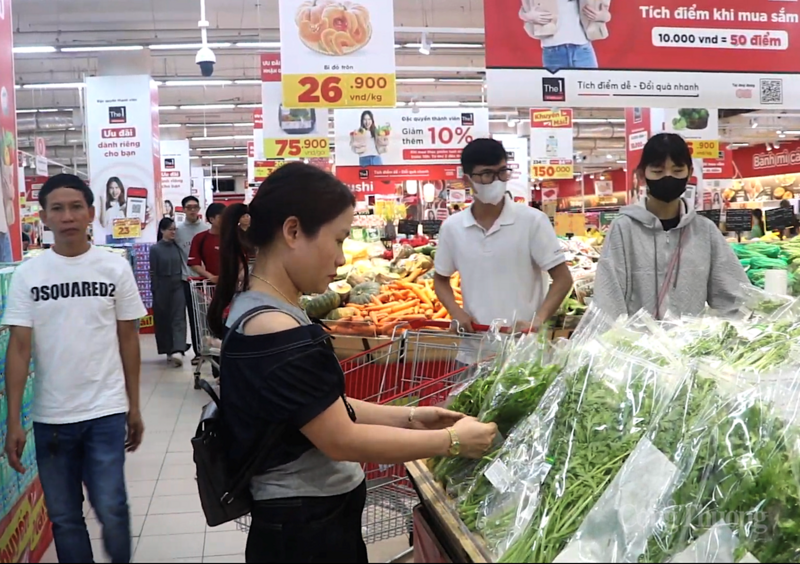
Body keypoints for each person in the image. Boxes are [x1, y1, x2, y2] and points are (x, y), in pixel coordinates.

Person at [206, 162, 497, 563]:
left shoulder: (266, 309)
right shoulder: (273, 327)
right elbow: (340, 439)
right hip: (304, 531)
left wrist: (411, 417)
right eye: (339, 239)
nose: (341, 258)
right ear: (293, 232)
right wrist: (451, 442)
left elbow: (319, 408)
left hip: (303, 522)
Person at [3, 173, 146, 563]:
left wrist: (134, 405)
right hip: (51, 419)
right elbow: (18, 349)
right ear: (44, 217)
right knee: (65, 518)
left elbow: (129, 340)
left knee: (112, 508)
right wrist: (14, 420)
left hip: (105, 410)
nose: (67, 216)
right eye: (58, 208)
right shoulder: (28, 275)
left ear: (91, 213)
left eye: (76, 207)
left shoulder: (113, 268)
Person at [594, 133, 749, 320]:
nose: (668, 177)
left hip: (690, 346)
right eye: (658, 171)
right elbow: (608, 298)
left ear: (689, 172)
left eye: (677, 171)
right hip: (637, 346)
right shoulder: (624, 229)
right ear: (642, 174)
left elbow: (735, 296)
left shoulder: (704, 231)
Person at [434, 138, 574, 342]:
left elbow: (563, 278)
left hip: (523, 350)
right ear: (467, 180)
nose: (497, 181)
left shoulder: (533, 221)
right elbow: (440, 279)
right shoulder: (452, 228)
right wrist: (456, 312)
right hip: (474, 348)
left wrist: (538, 319)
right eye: (486, 174)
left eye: (501, 172)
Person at [519, 0, 610, 71]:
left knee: (589, 90)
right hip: (553, 50)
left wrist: (601, 16)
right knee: (556, 93)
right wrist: (529, 16)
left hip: (582, 49)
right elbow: (524, 11)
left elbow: (606, 14)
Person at [175, 195, 208, 365]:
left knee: (208, 317)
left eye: (195, 207)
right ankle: (198, 351)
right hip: (187, 280)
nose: (193, 210)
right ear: (184, 209)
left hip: (207, 280)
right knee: (194, 317)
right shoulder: (178, 231)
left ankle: (211, 350)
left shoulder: (206, 229)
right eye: (189, 207)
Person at [150, 217, 187, 367]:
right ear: (162, 230)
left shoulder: (178, 247)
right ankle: (168, 349)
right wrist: (155, 290)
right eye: (170, 229)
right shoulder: (155, 249)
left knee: (178, 317)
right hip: (162, 286)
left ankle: (179, 349)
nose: (173, 232)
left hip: (178, 284)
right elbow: (153, 272)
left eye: (174, 229)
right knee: (164, 318)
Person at [188, 202, 225, 284]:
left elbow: (241, 261)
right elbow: (194, 263)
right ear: (211, 219)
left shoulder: (234, 237)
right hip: (208, 285)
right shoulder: (200, 238)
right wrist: (210, 276)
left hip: (232, 284)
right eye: (221, 217)